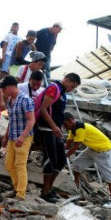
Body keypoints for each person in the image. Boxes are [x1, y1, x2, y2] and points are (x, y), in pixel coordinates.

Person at [37, 73, 81, 202]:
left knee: (61, 160)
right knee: (50, 160)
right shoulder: (54, 88)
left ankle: (50, 188)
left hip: (55, 130)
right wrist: (54, 126)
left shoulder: (63, 93)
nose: (71, 89)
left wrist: (58, 127)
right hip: (46, 128)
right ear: (67, 80)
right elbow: (43, 109)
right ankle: (44, 191)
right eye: (72, 85)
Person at [64, 112, 111, 208]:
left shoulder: (80, 128)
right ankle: (77, 188)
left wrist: (64, 156)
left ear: (70, 121)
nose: (64, 126)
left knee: (107, 174)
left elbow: (75, 147)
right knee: (77, 163)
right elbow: (67, 145)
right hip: (92, 148)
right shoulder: (72, 130)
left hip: (103, 150)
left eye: (64, 124)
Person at [0, 76, 35, 200]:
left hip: (23, 137)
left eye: (3, 89)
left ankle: (21, 194)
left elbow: (31, 120)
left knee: (20, 164)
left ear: (9, 87)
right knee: (9, 164)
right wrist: (5, 136)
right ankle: (17, 188)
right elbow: (11, 120)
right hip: (12, 136)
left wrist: (22, 136)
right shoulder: (10, 101)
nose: (3, 92)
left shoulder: (25, 99)